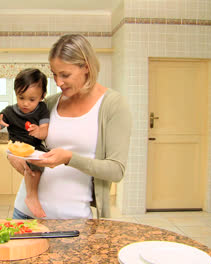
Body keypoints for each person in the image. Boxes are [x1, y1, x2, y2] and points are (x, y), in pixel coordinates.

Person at [8, 34, 132, 219]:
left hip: (74, 219)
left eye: (65, 75)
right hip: (26, 214)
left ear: (86, 68)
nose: (58, 82)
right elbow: (24, 139)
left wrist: (69, 158)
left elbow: (116, 170)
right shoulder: (49, 103)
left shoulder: (113, 105)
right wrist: (11, 154)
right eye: (54, 74)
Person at [0, 68, 50, 218]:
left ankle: (32, 196)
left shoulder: (42, 109)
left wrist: (38, 131)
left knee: (43, 161)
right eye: (21, 98)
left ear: (42, 96)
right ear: (15, 93)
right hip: (16, 147)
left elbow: (45, 131)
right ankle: (31, 197)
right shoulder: (9, 112)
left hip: (35, 147)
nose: (25, 103)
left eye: (31, 99)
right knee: (32, 166)